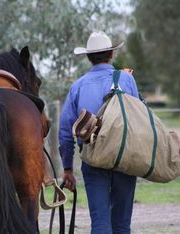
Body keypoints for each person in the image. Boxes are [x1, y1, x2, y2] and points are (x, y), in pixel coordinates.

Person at [58, 31, 139, 234]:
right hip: (125, 158)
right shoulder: (127, 80)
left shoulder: (77, 87)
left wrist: (67, 168)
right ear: (111, 54)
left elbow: (66, 132)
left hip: (93, 159)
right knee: (121, 223)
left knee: (100, 222)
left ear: (88, 57)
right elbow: (139, 119)